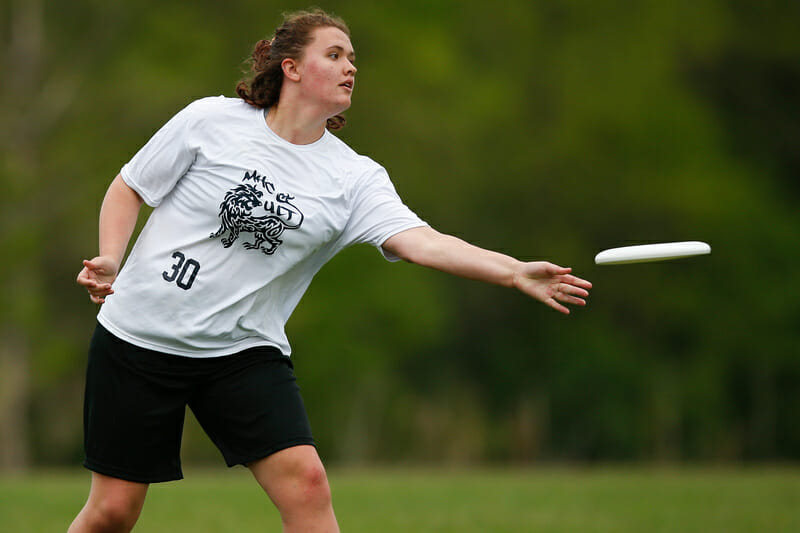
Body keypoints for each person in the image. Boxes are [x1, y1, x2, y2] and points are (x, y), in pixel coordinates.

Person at [71, 9, 591, 533]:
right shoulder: (211, 121)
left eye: (353, 60)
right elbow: (130, 186)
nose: (351, 68)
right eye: (335, 55)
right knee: (113, 513)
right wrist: (111, 257)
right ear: (292, 67)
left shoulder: (354, 178)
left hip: (239, 351)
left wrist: (512, 271)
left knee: (308, 485)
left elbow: (423, 242)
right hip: (140, 336)